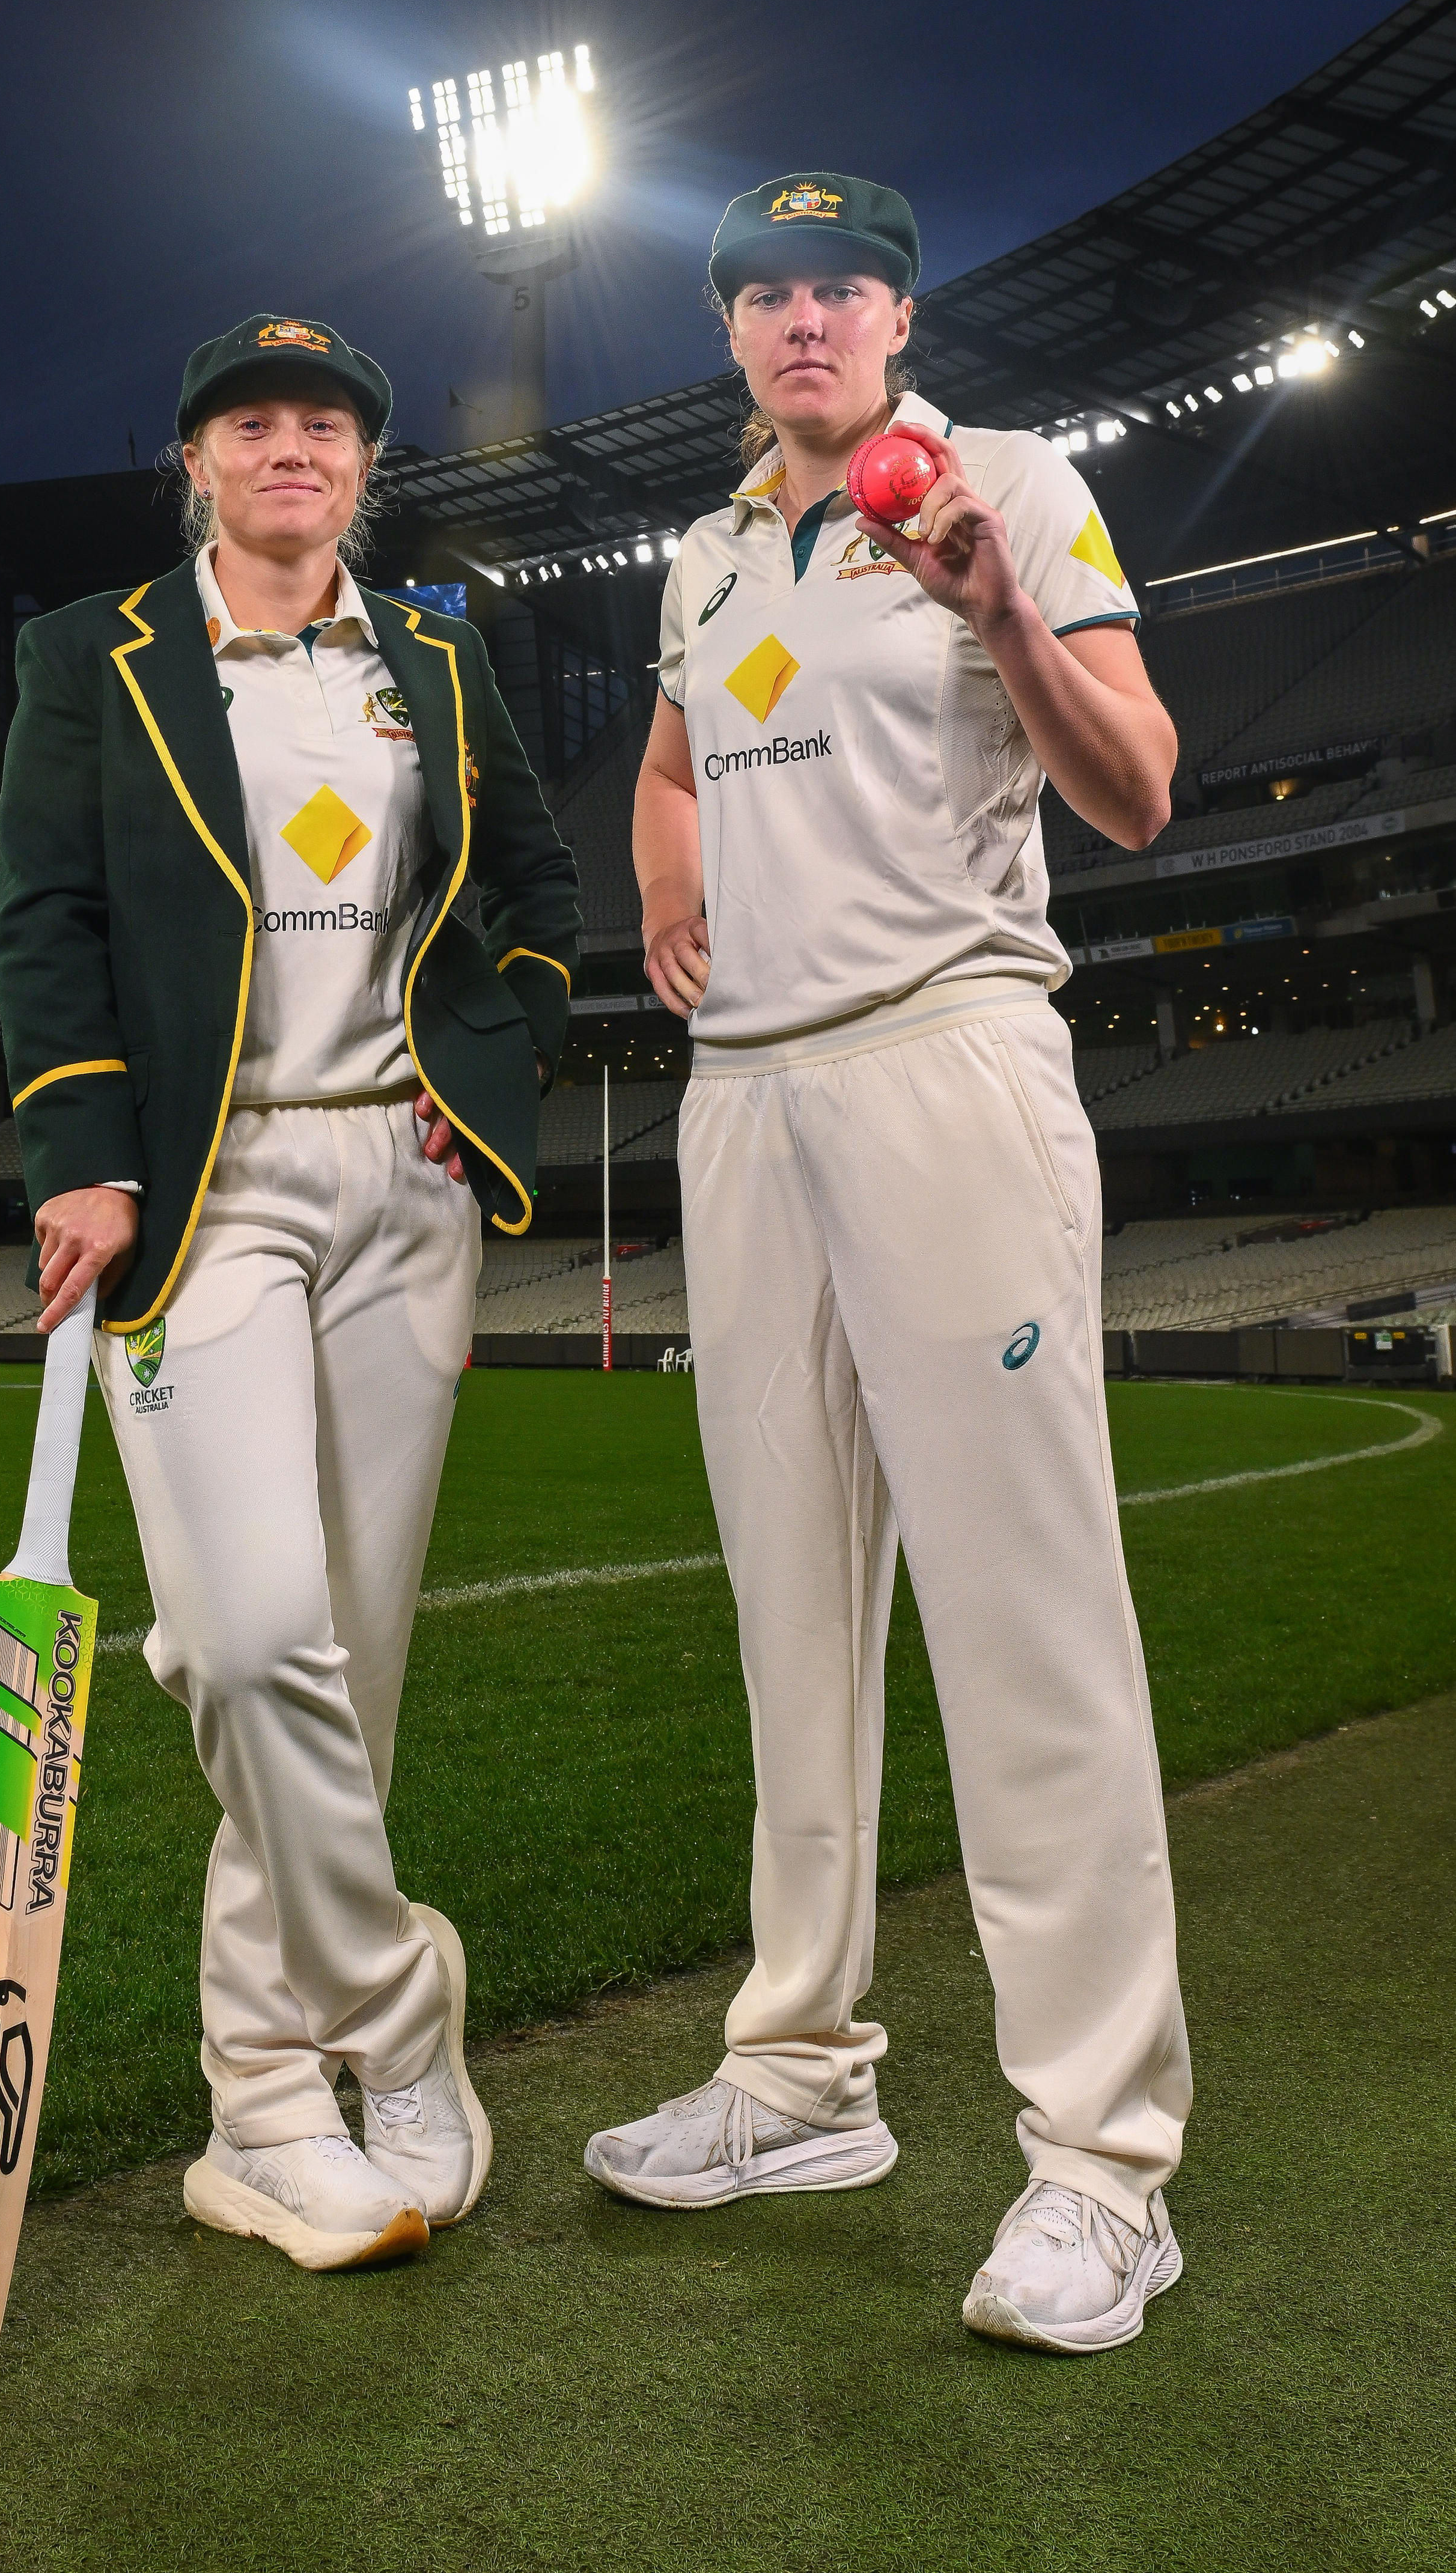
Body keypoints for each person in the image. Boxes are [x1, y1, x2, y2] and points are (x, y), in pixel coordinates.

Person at [582, 174, 1192, 2356]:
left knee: (1026, 1618)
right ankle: (799, 2075)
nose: (801, 316)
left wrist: (999, 612)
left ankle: (1102, 2166)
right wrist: (668, 879)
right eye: (762, 290)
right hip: (744, 1106)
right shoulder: (708, 548)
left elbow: (1136, 793)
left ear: (901, 312)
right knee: (793, 1612)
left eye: (838, 283)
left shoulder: (1015, 482)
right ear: (734, 334)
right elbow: (670, 758)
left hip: (948, 1062)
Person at [0, 311, 578, 2273]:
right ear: (197, 464)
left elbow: (535, 890)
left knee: (354, 1668)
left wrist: (487, 1064)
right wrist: (80, 1147)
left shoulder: (432, 650)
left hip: (400, 1188)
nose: (293, 452)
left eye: (325, 427)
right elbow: (44, 909)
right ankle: (403, 2019)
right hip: (207, 1188)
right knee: (249, 1649)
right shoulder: (92, 655)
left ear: (364, 466)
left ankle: (264, 2116)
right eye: (254, 425)